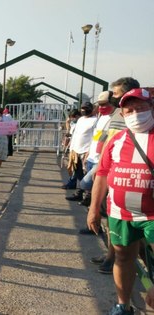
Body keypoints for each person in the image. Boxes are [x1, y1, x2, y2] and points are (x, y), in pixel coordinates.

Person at [87, 88, 154, 315]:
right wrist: (93, 210)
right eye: (130, 110)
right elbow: (102, 176)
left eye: (141, 108)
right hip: (120, 213)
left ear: (151, 108)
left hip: (151, 215)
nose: (136, 113)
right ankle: (123, 304)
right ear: (123, 114)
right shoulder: (116, 140)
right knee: (123, 256)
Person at [62, 102, 97, 190]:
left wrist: (89, 151)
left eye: (86, 108)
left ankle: (85, 192)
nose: (84, 110)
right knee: (77, 172)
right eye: (82, 108)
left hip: (86, 151)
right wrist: (71, 147)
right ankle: (81, 190)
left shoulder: (95, 120)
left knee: (86, 173)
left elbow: (95, 137)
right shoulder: (81, 119)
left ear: (91, 109)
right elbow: (76, 134)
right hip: (75, 150)